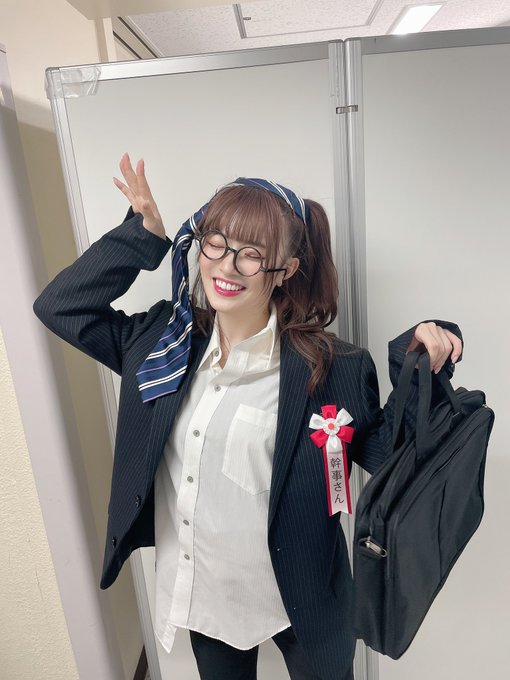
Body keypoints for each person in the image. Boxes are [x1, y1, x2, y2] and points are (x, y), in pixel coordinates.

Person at [33, 152, 462, 680]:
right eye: (216, 243)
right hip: (207, 594)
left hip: (304, 593)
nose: (226, 266)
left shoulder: (332, 367)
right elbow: (60, 307)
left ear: (286, 270)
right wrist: (142, 238)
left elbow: (385, 454)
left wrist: (418, 361)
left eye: (252, 254)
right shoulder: (162, 345)